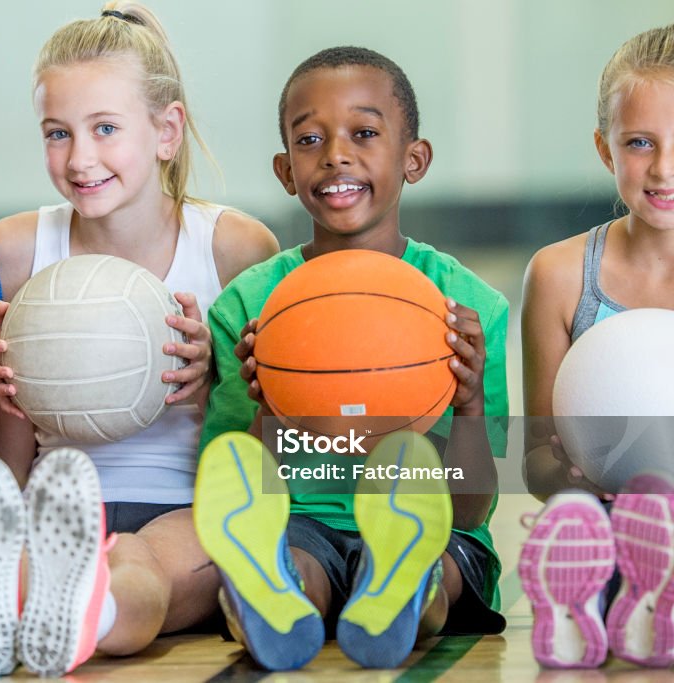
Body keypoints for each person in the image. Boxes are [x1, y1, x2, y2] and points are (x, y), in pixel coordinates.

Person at [0, 3, 279, 677]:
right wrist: (10, 397)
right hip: (52, 503)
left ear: (166, 131)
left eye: (106, 128)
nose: (80, 158)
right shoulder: (17, 249)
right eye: (57, 132)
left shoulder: (233, 250)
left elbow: (271, 448)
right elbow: (9, 462)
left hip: (186, 505)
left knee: (142, 570)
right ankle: (12, 596)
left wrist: (219, 376)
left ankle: (87, 613)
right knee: (17, 547)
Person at [195, 46, 510, 670]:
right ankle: (279, 591)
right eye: (310, 139)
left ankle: (400, 582)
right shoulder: (250, 307)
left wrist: (468, 404)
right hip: (299, 522)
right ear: (286, 171)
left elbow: (471, 507)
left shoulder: (470, 307)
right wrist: (268, 406)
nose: (336, 153)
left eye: (364, 133)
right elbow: (242, 483)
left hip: (436, 525)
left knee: (443, 561)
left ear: (413, 159)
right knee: (293, 562)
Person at [519, 23, 674, 669]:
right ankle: (608, 594)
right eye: (640, 143)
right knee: (593, 526)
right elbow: (534, 460)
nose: (663, 167)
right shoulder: (559, 276)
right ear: (606, 150)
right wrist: (572, 478)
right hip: (611, 527)